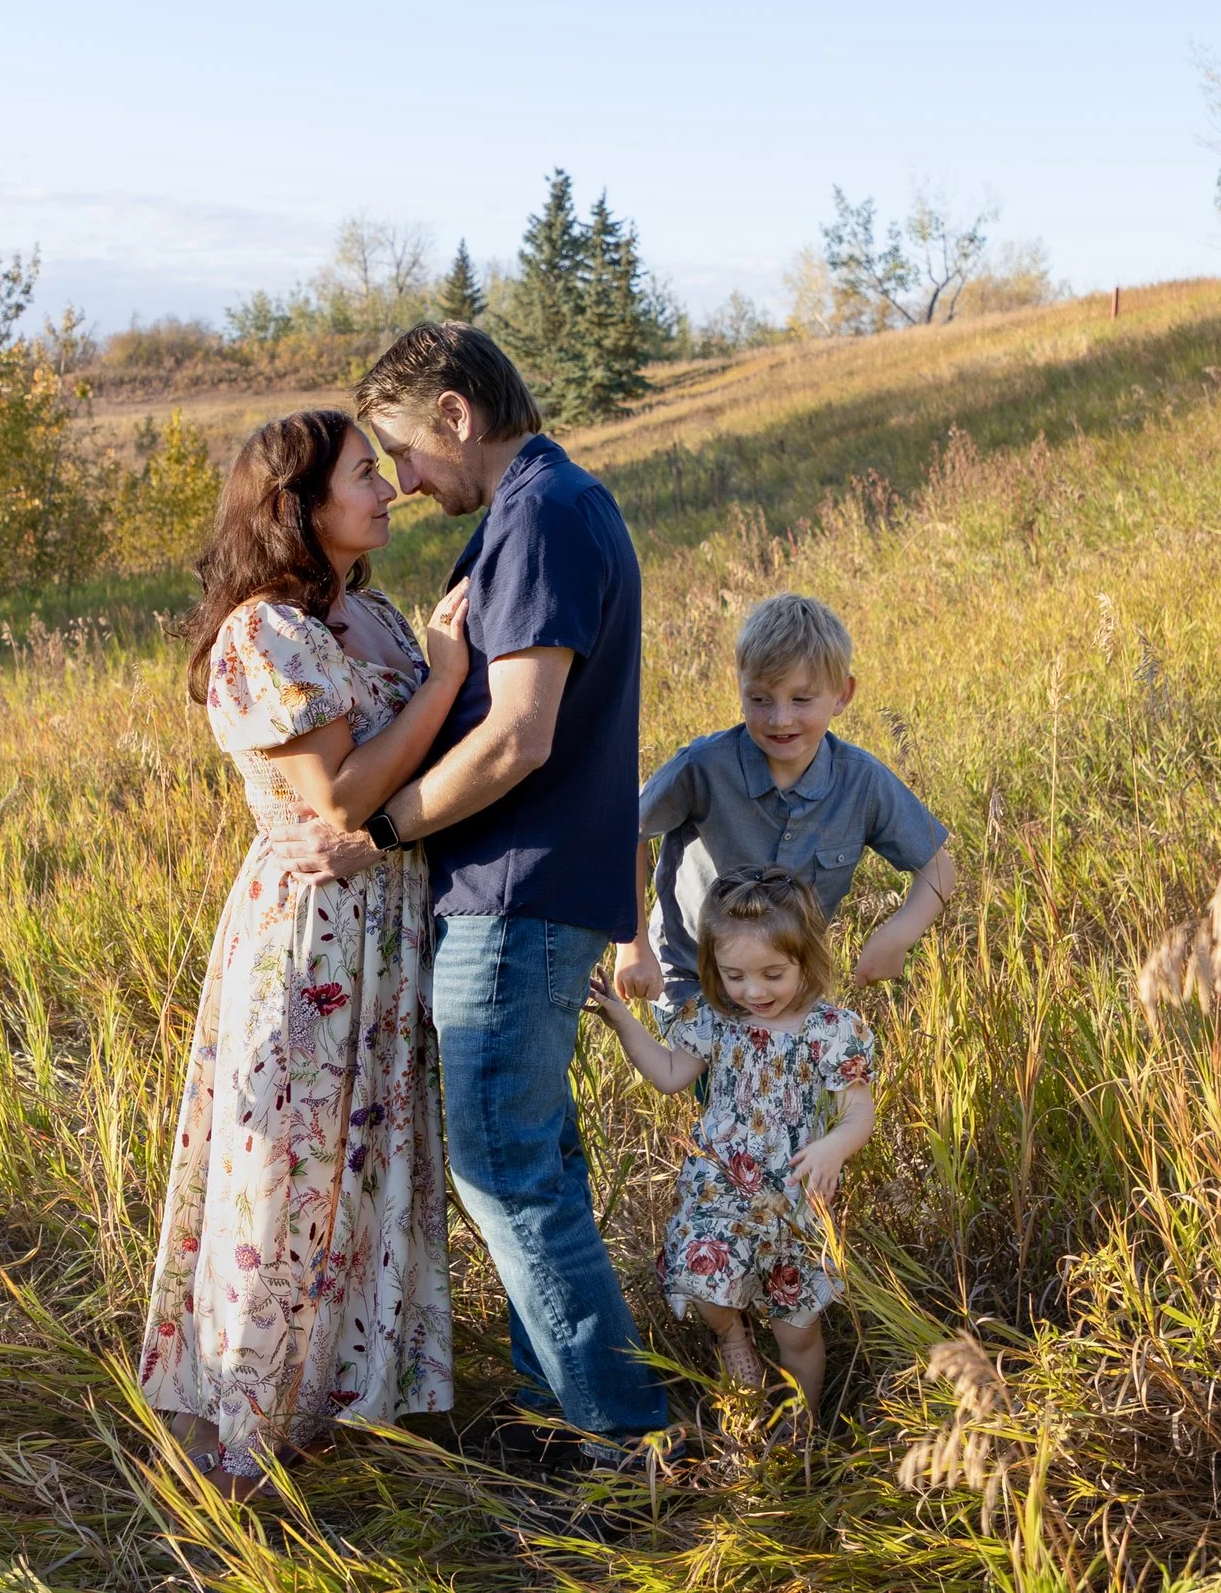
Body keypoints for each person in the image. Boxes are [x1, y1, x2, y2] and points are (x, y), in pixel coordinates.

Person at [265, 322, 671, 1459]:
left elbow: (521, 738)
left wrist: (380, 831)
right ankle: (563, 1409)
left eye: (401, 451)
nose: (400, 482)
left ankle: (624, 1434)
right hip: (529, 889)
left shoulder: (540, 514)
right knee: (534, 1162)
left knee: (505, 1173)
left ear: (454, 415)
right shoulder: (545, 509)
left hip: (514, 891)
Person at [135, 410, 471, 1495]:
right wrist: (446, 678)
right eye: (365, 475)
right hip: (313, 938)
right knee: (283, 1175)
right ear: (297, 506)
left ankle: (331, 1412)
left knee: (364, 1172)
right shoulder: (262, 632)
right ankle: (244, 1439)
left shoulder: (372, 613)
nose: (389, 491)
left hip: (391, 928)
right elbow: (344, 792)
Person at [586, 867, 875, 1413]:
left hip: (793, 1205)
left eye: (772, 974)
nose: (753, 991)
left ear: (805, 959)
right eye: (735, 975)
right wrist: (623, 1020)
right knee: (702, 1268)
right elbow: (671, 1074)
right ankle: (733, 1337)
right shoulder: (715, 1019)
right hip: (719, 1192)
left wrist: (835, 1146)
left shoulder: (834, 1030)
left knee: (798, 1333)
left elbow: (859, 1112)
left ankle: (801, 1427)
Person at [615, 594, 954, 1013]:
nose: (780, 719)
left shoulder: (861, 781)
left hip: (788, 992)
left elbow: (939, 868)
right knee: (720, 1078)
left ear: (843, 694)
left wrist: (898, 934)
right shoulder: (703, 768)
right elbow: (623, 830)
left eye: (801, 699)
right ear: (739, 685)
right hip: (695, 983)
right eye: (760, 699)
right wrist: (632, 945)